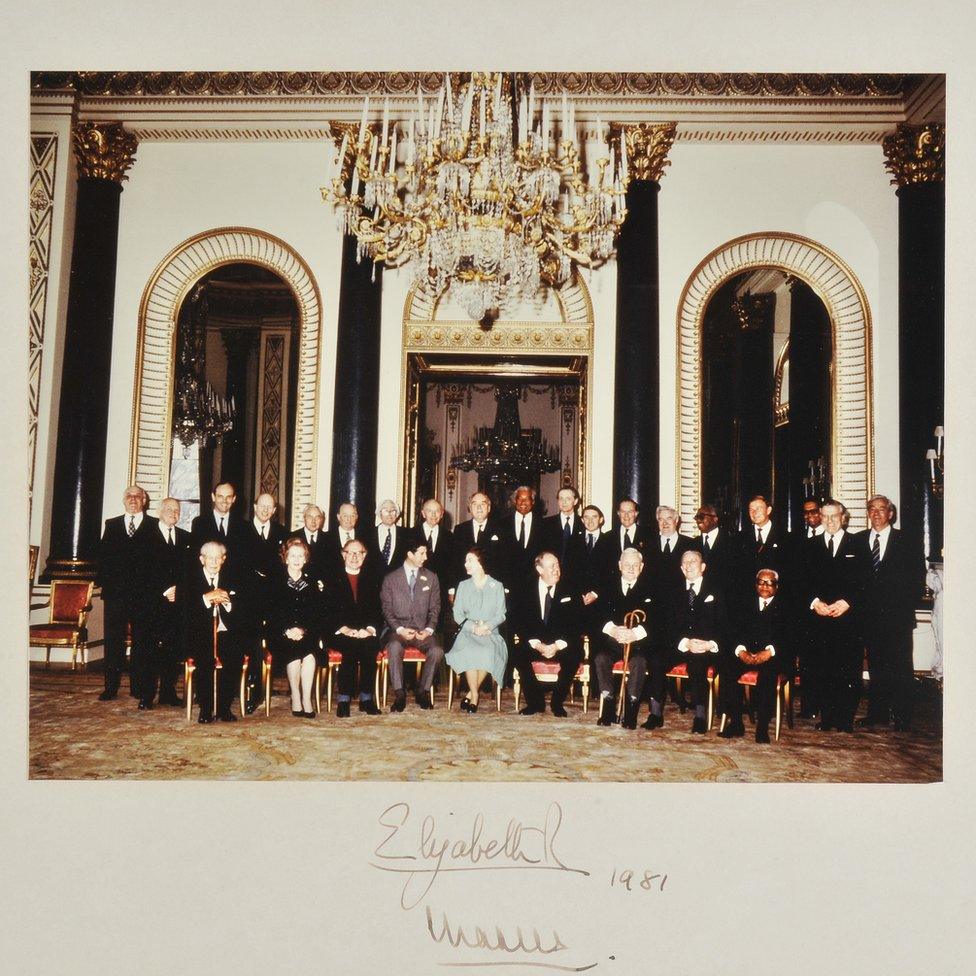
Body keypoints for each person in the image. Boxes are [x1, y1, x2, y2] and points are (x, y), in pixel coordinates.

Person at [856, 494, 923, 730]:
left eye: (881, 509)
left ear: (890, 513)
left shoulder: (907, 541)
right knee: (876, 667)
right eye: (871, 509)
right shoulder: (859, 540)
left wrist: (896, 605)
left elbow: (916, 580)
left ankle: (903, 717)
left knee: (901, 667)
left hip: (897, 618)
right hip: (869, 619)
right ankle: (878, 714)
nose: (876, 514)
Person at [802, 499, 865, 733]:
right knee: (823, 668)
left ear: (843, 518)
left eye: (834, 516)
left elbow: (865, 582)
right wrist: (814, 602)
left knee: (848, 669)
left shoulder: (858, 545)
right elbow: (802, 582)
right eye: (825, 516)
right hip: (819, 619)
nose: (829, 521)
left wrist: (847, 603)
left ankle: (845, 718)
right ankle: (828, 717)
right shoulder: (810, 546)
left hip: (848, 619)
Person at [96, 485, 157, 702]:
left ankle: (138, 687)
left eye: (137, 496)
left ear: (144, 500)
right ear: (124, 500)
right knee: (113, 642)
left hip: (144, 597)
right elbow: (103, 558)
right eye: (129, 496)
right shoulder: (111, 525)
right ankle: (110, 687)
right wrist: (106, 584)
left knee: (143, 642)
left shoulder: (155, 526)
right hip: (116, 595)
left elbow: (158, 563)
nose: (133, 499)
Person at [719, 569, 793, 743]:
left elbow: (790, 638)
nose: (765, 586)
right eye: (761, 582)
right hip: (748, 653)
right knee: (727, 669)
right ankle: (736, 722)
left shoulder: (787, 607)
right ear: (755, 584)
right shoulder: (743, 603)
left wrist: (769, 652)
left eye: (769, 583)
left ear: (777, 586)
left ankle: (762, 727)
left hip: (774, 656)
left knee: (767, 676)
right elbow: (732, 631)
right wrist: (741, 650)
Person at [592, 547, 660, 730]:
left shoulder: (652, 588)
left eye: (635, 565)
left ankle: (631, 710)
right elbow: (597, 615)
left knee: (638, 662)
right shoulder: (607, 586)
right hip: (614, 641)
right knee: (600, 658)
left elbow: (657, 619)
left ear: (642, 566)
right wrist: (613, 630)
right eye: (627, 564)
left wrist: (635, 633)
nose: (631, 568)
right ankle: (607, 705)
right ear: (620, 565)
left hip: (638, 643)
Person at [510, 552, 583, 717]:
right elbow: (518, 621)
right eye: (552, 567)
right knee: (517, 653)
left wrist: (557, 645)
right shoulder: (525, 589)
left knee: (574, 654)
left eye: (557, 565)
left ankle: (557, 702)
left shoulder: (571, 588)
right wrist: (537, 645)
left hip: (561, 643)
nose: (557, 570)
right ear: (539, 569)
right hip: (535, 642)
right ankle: (535, 702)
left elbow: (577, 623)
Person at [668, 549, 729, 734]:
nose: (688, 566)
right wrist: (685, 642)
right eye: (685, 563)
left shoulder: (717, 591)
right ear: (681, 567)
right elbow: (670, 626)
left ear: (703, 567)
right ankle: (655, 713)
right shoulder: (674, 592)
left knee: (697, 664)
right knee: (656, 659)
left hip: (708, 646)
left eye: (693, 562)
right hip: (683, 645)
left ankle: (700, 716)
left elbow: (725, 624)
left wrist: (709, 643)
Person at [379, 540, 444, 711]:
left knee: (437, 651)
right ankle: (399, 693)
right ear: (409, 554)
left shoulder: (431, 577)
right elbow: (386, 610)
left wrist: (429, 629)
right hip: (397, 630)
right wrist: (399, 629)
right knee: (393, 647)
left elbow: (435, 608)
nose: (425, 557)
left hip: (423, 631)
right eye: (421, 553)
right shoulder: (391, 579)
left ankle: (422, 690)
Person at [184, 541, 243, 723]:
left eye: (218, 557)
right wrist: (205, 598)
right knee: (205, 658)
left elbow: (243, 610)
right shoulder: (190, 579)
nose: (214, 561)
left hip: (225, 632)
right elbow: (184, 611)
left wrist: (227, 603)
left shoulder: (233, 578)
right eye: (210, 557)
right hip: (199, 633)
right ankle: (206, 708)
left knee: (234, 656)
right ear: (202, 559)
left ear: (224, 560)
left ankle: (224, 707)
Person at [324, 538, 383, 717]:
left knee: (370, 646)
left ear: (364, 556)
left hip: (365, 630)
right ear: (344, 555)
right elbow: (327, 610)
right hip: (339, 630)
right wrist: (345, 629)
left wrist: (369, 629)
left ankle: (366, 698)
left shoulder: (372, 579)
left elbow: (377, 610)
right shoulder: (332, 578)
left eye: (359, 553)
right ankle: (344, 699)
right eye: (351, 552)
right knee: (350, 646)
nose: (355, 557)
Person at [241, 492, 288, 711]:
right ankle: (251, 690)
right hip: (247, 600)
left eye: (270, 507)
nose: (265, 510)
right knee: (252, 643)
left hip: (273, 599)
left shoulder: (282, 533)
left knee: (272, 642)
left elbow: (283, 567)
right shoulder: (240, 530)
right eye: (262, 506)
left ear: (274, 511)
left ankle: (268, 687)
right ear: (254, 506)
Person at [265, 536, 322, 718]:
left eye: (301, 556)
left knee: (310, 656)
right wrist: (287, 630)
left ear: (305, 559)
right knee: (295, 655)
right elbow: (272, 612)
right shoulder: (275, 581)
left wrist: (303, 630)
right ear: (286, 558)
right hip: (281, 632)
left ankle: (306, 699)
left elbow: (315, 612)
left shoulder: (312, 582)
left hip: (306, 631)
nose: (297, 560)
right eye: (293, 556)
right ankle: (295, 696)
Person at [142, 497, 191, 708]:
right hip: (152, 603)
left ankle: (168, 693)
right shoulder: (144, 536)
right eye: (169, 509)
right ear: (159, 511)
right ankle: (146, 695)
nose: (174, 513)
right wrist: (164, 589)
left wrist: (178, 590)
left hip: (176, 604)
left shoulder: (185, 537)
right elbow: (140, 570)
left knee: (172, 650)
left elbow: (189, 572)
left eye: (177, 510)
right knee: (150, 651)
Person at [445, 547, 507, 713]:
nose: (466, 564)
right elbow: (457, 614)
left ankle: (471, 695)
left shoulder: (497, 586)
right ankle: (475, 695)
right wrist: (473, 628)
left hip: (490, 632)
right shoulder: (463, 585)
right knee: (469, 651)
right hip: (468, 632)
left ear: (480, 564)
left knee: (489, 652)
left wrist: (486, 627)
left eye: (470, 560)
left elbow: (501, 614)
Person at [413, 498, 455, 631]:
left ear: (442, 514)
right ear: (423, 513)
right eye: (429, 511)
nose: (433, 514)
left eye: (437, 511)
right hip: (415, 587)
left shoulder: (450, 537)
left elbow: (452, 565)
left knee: (438, 627)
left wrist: (451, 590)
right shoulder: (410, 533)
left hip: (440, 589)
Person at [189, 482, 248, 573]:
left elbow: (243, 559)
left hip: (234, 581)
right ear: (213, 497)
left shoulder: (243, 525)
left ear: (234, 499)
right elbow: (195, 555)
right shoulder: (199, 523)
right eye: (220, 496)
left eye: (228, 497)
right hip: (208, 580)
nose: (224, 501)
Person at [451, 492, 505, 590]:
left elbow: (505, 562)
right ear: (470, 509)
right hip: (466, 586)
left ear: (489, 508)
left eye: (483, 504)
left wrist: (504, 588)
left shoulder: (501, 530)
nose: (479, 508)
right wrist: (453, 588)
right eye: (475, 504)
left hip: (492, 587)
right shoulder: (460, 529)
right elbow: (455, 562)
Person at [646, 505, 696, 603]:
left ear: (676, 520)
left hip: (682, 601)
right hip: (655, 602)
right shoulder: (648, 545)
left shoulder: (690, 544)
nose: (664, 523)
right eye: (660, 519)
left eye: (669, 518)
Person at [540, 486, 586, 591]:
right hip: (551, 578)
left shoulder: (583, 524)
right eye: (561, 498)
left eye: (568, 499)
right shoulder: (546, 524)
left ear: (575, 501)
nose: (564, 502)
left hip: (576, 581)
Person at [499, 486, 542, 590]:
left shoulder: (544, 525)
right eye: (519, 498)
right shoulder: (502, 524)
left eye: (527, 499)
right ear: (514, 501)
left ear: (533, 502)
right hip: (508, 584)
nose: (523, 503)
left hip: (535, 584)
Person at [692, 504, 735, 594]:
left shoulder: (732, 543)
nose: (698, 519)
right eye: (697, 517)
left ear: (715, 519)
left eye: (702, 516)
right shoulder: (692, 544)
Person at [602, 497, 650, 574]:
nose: (626, 515)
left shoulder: (649, 536)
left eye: (630, 512)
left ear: (636, 513)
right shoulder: (607, 538)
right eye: (623, 512)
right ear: (618, 513)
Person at [368, 499, 410, 574]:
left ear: (397, 514)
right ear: (379, 514)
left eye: (393, 511)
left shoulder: (406, 534)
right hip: (374, 581)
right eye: (385, 511)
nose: (389, 514)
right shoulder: (369, 534)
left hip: (396, 581)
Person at [322, 501, 361, 581]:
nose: (349, 519)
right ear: (338, 517)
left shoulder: (365, 539)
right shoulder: (325, 538)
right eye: (345, 516)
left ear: (356, 517)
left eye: (352, 516)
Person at [299, 503, 328, 581]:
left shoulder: (328, 539)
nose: (313, 521)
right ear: (304, 518)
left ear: (321, 520)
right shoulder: (293, 537)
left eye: (317, 518)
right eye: (310, 517)